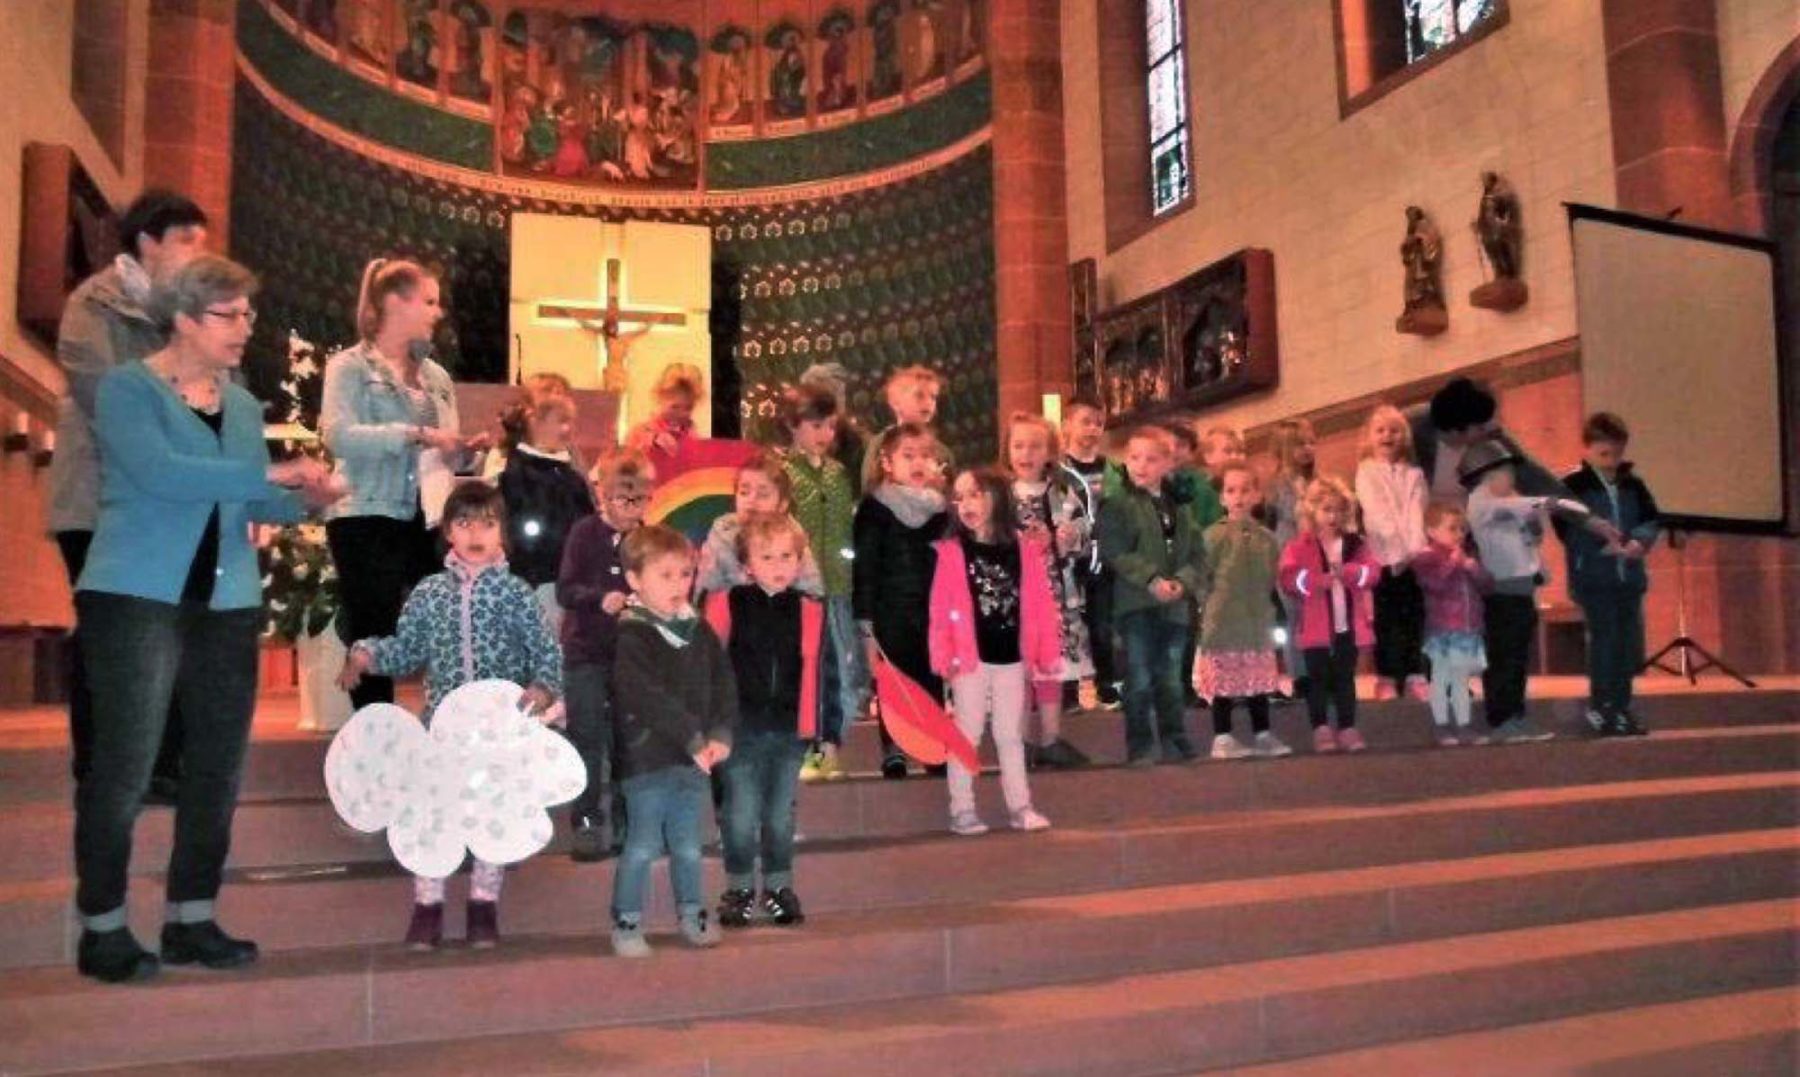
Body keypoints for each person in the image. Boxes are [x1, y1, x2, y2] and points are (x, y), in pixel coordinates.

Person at [73, 255, 338, 982]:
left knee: (217, 769)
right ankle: (102, 927)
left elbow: (248, 501)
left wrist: (309, 500)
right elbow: (162, 474)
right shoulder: (127, 390)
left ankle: (192, 917)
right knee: (125, 767)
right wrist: (271, 472)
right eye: (230, 315)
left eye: (248, 314)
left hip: (225, 603)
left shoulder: (243, 406)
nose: (245, 327)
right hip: (135, 598)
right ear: (185, 318)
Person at [339, 482, 563, 951]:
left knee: (491, 815)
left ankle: (484, 904)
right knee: (430, 813)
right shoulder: (429, 593)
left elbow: (546, 649)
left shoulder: (516, 593)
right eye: (464, 523)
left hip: (497, 732)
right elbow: (407, 649)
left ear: (502, 532)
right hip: (441, 729)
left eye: (488, 524)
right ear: (448, 532)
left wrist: (544, 686)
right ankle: (428, 905)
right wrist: (366, 654)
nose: (476, 534)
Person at [50, 190, 209, 802]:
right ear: (148, 241)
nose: (199, 253)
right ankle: (101, 769)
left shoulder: (189, 314)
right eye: (187, 240)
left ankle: (164, 768)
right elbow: (108, 397)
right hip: (97, 502)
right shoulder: (92, 304)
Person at [322, 257, 488, 710]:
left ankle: (449, 723)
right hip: (367, 512)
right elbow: (338, 435)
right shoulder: (351, 367)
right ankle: (375, 736)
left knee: (449, 622)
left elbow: (447, 447)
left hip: (429, 516)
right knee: (373, 630)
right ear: (395, 303)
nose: (439, 312)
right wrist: (415, 435)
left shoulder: (437, 376)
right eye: (429, 302)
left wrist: (464, 450)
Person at [608, 525, 736, 958]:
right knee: (642, 845)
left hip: (692, 760)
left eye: (684, 574)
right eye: (665, 575)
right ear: (635, 580)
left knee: (688, 846)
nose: (678, 585)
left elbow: (723, 683)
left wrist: (720, 733)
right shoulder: (632, 633)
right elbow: (645, 697)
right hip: (648, 760)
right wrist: (692, 737)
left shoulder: (698, 629)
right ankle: (627, 920)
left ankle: (693, 913)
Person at [704, 514, 824, 928]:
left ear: (799, 561)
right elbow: (707, 665)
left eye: (787, 556)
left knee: (779, 816)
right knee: (739, 814)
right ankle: (738, 887)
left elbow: (822, 673)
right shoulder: (727, 603)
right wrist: (710, 725)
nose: (778, 565)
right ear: (747, 564)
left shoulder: (809, 610)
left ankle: (777, 886)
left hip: (789, 730)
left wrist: (822, 727)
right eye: (767, 557)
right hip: (739, 729)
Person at [1460, 439, 1615, 743]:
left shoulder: (1507, 502)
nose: (1512, 478)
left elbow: (1525, 538)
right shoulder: (1482, 503)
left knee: (1518, 661)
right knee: (1503, 660)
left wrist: (1533, 534)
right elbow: (1514, 508)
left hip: (1521, 593)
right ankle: (1501, 720)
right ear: (1487, 474)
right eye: (1506, 472)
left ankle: (1517, 717)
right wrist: (1549, 503)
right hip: (1501, 596)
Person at [930, 468, 1057, 835]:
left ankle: (1021, 806)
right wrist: (944, 653)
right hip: (970, 659)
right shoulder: (952, 553)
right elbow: (940, 608)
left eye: (974, 494)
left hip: (1012, 659)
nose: (965, 504)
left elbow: (1041, 603)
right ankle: (962, 809)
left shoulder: (1023, 550)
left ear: (997, 498)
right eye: (959, 497)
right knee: (966, 733)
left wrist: (1044, 650)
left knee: (1010, 735)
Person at [556, 449, 652, 862]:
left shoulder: (648, 539)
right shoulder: (584, 533)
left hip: (631, 657)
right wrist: (599, 598)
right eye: (621, 499)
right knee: (587, 738)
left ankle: (627, 821)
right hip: (586, 652)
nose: (630, 509)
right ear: (603, 496)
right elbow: (566, 589)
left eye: (638, 500)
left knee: (629, 742)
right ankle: (586, 820)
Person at [1097, 427, 1206, 767]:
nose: (1141, 465)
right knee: (1139, 677)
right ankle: (1140, 744)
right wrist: (1151, 579)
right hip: (1137, 604)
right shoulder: (1118, 505)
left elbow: (1197, 554)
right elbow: (1116, 550)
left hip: (1174, 607)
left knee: (1171, 679)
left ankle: (1174, 738)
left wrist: (1182, 582)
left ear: (1168, 464)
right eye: (1134, 458)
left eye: (1151, 459)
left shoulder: (1181, 508)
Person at [853, 423, 950, 779]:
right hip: (890, 610)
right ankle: (893, 747)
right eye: (908, 456)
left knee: (931, 678)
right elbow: (865, 567)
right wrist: (865, 618)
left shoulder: (941, 510)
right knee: (894, 682)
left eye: (926, 455)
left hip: (932, 611)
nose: (918, 463)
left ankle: (933, 745)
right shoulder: (875, 508)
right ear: (887, 463)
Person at [1556, 412, 1662, 737]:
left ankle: (1621, 707)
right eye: (1603, 452)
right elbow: (1566, 527)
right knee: (1605, 642)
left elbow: (1650, 519)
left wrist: (1639, 542)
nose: (1611, 459)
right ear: (1587, 448)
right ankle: (1601, 707)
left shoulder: (1634, 484)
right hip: (1594, 577)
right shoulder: (1573, 484)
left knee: (1627, 645)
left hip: (1629, 577)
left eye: (1617, 451)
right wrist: (1599, 545)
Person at [780, 384, 862, 782]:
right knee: (809, 670)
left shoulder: (838, 474)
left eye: (830, 426)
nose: (825, 434)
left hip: (839, 589)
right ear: (793, 425)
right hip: (802, 591)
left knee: (846, 671)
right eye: (816, 425)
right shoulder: (782, 473)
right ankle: (807, 748)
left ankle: (831, 746)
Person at [1004, 413, 1092, 769]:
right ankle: (1020, 741)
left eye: (1035, 446)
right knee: (1018, 669)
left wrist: (1067, 538)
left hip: (1055, 595)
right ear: (1008, 450)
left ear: (1050, 453)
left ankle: (1052, 738)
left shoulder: (1063, 494)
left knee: (1051, 666)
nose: (1026, 453)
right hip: (1013, 598)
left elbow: (1083, 536)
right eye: (1019, 446)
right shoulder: (1001, 495)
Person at [1196, 462, 1290, 760]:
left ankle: (1262, 734)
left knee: (1257, 681)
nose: (1238, 497)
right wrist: (1207, 608)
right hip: (1223, 623)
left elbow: (1273, 578)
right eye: (1231, 490)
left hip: (1257, 623)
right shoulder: (1212, 536)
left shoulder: (1267, 539)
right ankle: (1222, 736)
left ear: (1257, 496)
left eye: (1245, 490)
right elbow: (1201, 576)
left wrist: (1273, 611)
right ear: (1222, 498)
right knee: (1223, 682)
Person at [1279, 477, 1381, 753]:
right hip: (1316, 628)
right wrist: (1313, 581)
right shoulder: (1299, 546)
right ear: (1312, 511)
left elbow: (1373, 573)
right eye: (1326, 510)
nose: (1333, 516)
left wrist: (1352, 573)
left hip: (1348, 625)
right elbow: (1288, 579)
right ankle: (1321, 727)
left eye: (1338, 510)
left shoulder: (1356, 544)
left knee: (1345, 678)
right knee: (1318, 679)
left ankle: (1348, 727)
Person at [496, 374, 593, 634]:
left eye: (571, 422)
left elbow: (586, 520)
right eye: (561, 421)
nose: (568, 429)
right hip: (536, 578)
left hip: (567, 578)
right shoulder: (517, 471)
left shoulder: (570, 474)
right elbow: (515, 528)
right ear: (535, 421)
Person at [1355, 404, 1430, 701]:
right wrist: (1397, 553)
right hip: (1383, 556)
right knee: (1386, 619)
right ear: (1370, 437)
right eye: (1381, 430)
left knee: (1413, 615)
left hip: (1412, 558)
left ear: (1405, 436)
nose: (1388, 435)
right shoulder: (1366, 471)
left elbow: (1417, 511)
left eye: (1394, 430)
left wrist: (1414, 550)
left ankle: (1414, 674)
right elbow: (1377, 512)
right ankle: (1387, 676)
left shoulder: (1415, 474)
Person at [1410, 376, 1568, 508]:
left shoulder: (1492, 435)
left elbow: (1534, 478)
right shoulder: (1412, 433)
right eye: (1480, 428)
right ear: (1456, 431)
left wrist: (1576, 511)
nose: (1491, 428)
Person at [1411, 503, 1493, 746]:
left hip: (1467, 628)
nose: (1459, 534)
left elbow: (1488, 586)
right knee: (1440, 679)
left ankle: (1464, 724)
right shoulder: (1426, 557)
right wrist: (1452, 564)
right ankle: (1441, 725)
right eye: (1452, 528)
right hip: (1442, 629)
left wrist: (1472, 567)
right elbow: (1433, 585)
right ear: (1431, 531)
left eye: (1462, 529)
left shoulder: (1466, 557)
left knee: (1461, 679)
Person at [1060, 396, 1122, 707]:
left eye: (1098, 423)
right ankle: (1068, 687)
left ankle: (1106, 682)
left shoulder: (1115, 472)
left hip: (1104, 559)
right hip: (1068, 560)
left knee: (1102, 623)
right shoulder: (1057, 470)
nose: (1092, 429)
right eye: (1085, 421)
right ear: (1066, 425)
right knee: (1067, 621)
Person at [696, 452, 823, 600]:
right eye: (744, 492)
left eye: (763, 495)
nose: (752, 499)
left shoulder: (791, 535)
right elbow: (706, 589)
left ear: (782, 505)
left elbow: (813, 591)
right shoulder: (723, 532)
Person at [1265, 418, 1317, 696]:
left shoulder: (1314, 481)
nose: (1308, 449)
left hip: (1314, 554)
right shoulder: (1281, 485)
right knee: (1294, 615)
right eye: (1300, 444)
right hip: (1290, 554)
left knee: (1315, 614)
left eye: (1311, 443)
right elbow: (1289, 515)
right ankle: (1300, 675)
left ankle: (1319, 668)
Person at [861, 365, 948, 490]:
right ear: (895, 403)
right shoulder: (882, 443)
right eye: (919, 395)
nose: (929, 402)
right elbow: (869, 486)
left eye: (933, 397)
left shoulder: (941, 450)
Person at [624, 362, 704, 481]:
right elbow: (625, 467)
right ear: (660, 398)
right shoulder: (640, 432)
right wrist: (654, 440)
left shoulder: (693, 436)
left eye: (688, 408)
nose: (681, 413)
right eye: (675, 407)